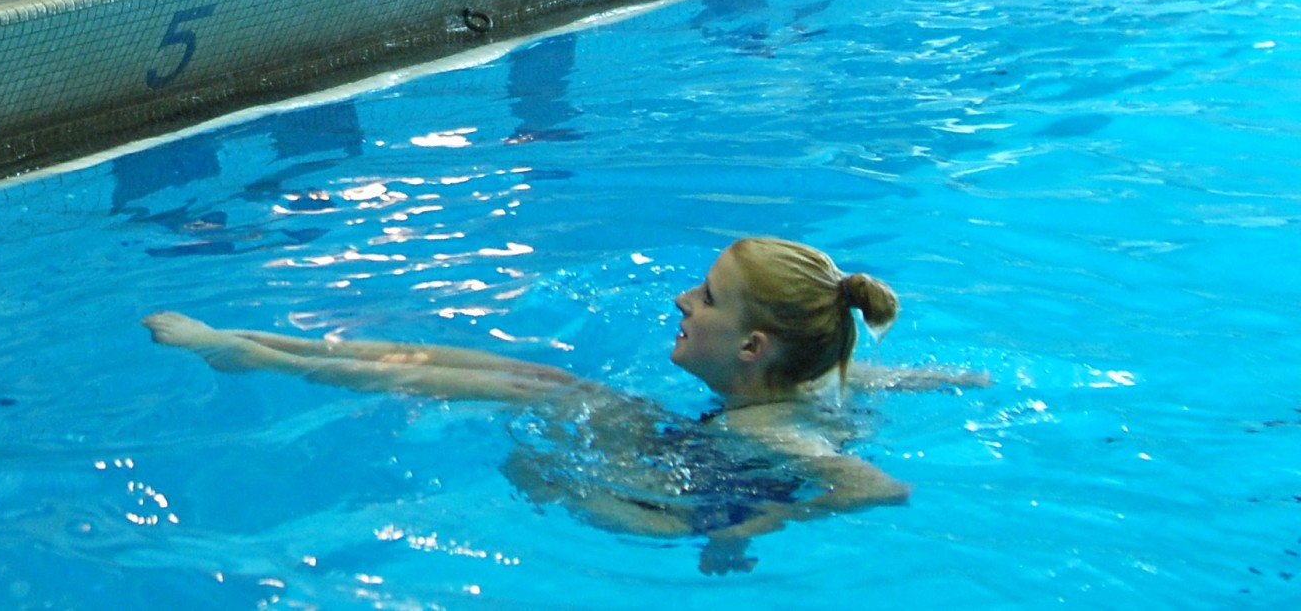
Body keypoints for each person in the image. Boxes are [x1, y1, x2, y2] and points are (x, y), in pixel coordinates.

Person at [148, 235, 986, 574]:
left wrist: (751, 523)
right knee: (542, 381)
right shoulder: (814, 375)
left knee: (538, 413)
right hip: (691, 458)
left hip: (682, 503)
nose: (682, 299)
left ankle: (253, 353)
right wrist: (950, 382)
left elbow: (876, 488)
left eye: (708, 297)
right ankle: (269, 348)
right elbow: (866, 386)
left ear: (751, 348)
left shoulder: (776, 421)